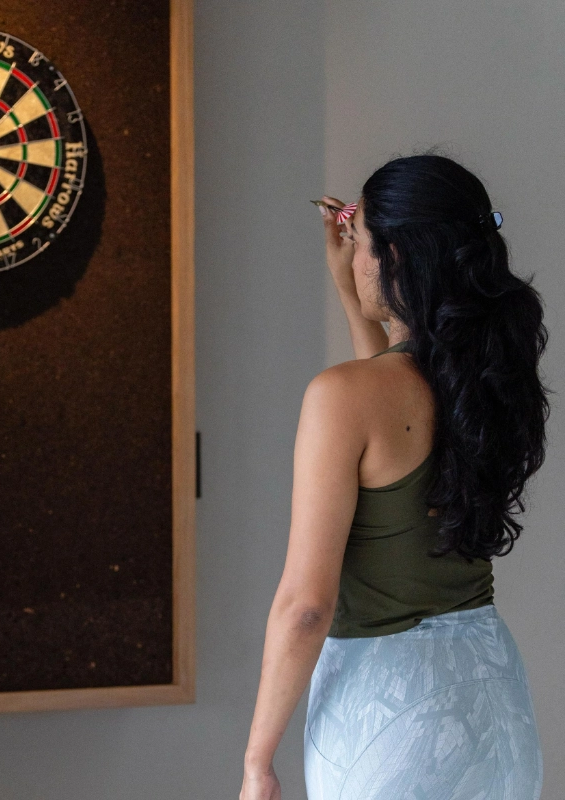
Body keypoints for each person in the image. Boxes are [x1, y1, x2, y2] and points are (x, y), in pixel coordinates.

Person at [239, 152, 550, 800]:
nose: (353, 256)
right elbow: (389, 389)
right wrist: (351, 290)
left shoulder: (343, 397)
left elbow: (305, 608)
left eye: (365, 245)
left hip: (391, 713)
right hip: (495, 706)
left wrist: (257, 760)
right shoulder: (486, 383)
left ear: (396, 257)